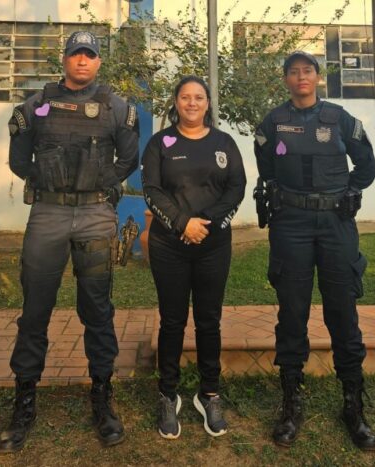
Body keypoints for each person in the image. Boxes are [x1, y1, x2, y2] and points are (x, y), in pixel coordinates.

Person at [0, 31, 139, 452]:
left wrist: (98, 183)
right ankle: (24, 401)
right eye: (76, 54)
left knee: (97, 307)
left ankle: (102, 396)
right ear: (65, 60)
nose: (83, 61)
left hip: (96, 216)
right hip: (48, 214)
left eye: (90, 55)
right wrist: (50, 185)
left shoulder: (117, 108)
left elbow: (129, 159)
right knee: (35, 308)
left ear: (98, 63)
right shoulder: (35, 106)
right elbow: (19, 160)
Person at [254, 51, 375, 450]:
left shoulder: (341, 118)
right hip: (290, 223)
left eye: (307, 71)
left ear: (318, 78)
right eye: (293, 72)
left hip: (335, 224)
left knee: (342, 308)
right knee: (292, 309)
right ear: (286, 80)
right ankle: (291, 403)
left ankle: (353, 404)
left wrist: (351, 192)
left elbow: (367, 165)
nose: (301, 77)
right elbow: (265, 166)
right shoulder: (273, 121)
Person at [141, 76, 247, 440]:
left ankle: (209, 394)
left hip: (213, 245)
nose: (191, 103)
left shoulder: (224, 142)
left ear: (207, 104)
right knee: (172, 322)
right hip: (169, 245)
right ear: (175, 102)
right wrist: (184, 223)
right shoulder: (160, 143)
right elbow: (151, 190)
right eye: (185, 97)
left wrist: (209, 224)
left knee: (209, 321)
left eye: (198, 97)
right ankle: (168, 395)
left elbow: (237, 188)